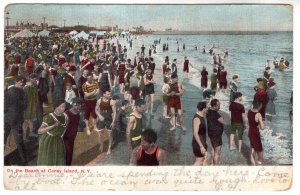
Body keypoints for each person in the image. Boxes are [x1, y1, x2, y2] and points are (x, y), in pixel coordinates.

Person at [4, 76, 28, 165]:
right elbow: (25, 106)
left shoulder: (7, 93)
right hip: (17, 120)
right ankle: (24, 161)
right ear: (16, 82)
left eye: (22, 83)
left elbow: (4, 108)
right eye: (20, 82)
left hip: (8, 120)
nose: (22, 84)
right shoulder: (22, 92)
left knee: (4, 139)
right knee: (19, 142)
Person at [37, 100, 68, 165]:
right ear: (55, 107)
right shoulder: (49, 117)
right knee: (48, 160)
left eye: (63, 107)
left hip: (58, 141)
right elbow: (39, 131)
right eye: (58, 106)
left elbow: (65, 128)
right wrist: (53, 126)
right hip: (48, 140)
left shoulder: (65, 117)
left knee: (58, 160)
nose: (60, 108)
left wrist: (61, 136)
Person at [95, 89, 117, 155]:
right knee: (100, 134)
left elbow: (115, 112)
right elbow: (96, 109)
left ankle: (109, 148)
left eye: (109, 94)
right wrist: (99, 115)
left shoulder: (112, 101)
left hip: (108, 119)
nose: (109, 95)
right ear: (104, 94)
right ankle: (101, 145)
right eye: (108, 94)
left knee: (110, 135)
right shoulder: (99, 101)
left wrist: (113, 122)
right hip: (101, 119)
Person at [63, 97, 83, 165]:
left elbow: (79, 126)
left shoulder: (78, 115)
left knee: (70, 153)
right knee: (66, 154)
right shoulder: (66, 114)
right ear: (73, 105)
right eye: (77, 105)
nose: (78, 108)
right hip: (65, 138)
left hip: (72, 138)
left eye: (80, 106)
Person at [207, 99, 225, 165]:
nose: (219, 107)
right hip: (216, 134)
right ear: (214, 106)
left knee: (213, 148)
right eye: (218, 105)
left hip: (211, 133)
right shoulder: (215, 114)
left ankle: (212, 163)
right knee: (217, 152)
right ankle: (216, 167)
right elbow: (223, 121)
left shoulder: (208, 111)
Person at [22, 73, 39, 142]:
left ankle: (30, 133)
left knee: (30, 120)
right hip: (27, 108)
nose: (36, 81)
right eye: (35, 79)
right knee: (26, 122)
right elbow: (25, 100)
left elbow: (35, 98)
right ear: (31, 79)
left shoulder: (32, 86)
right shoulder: (26, 88)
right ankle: (24, 137)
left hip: (32, 107)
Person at [247, 101, 265, 165]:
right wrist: (262, 122)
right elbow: (262, 127)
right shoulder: (258, 114)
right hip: (255, 133)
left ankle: (253, 163)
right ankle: (259, 162)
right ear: (259, 106)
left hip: (250, 131)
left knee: (252, 147)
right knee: (259, 149)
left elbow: (250, 121)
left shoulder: (249, 111)